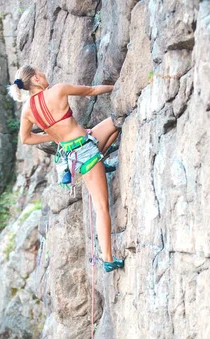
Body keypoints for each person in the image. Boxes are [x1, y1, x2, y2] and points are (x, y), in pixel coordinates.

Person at [8, 65, 124, 273]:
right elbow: (91, 91)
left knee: (114, 124)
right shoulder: (58, 90)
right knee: (101, 208)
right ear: (35, 78)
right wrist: (117, 86)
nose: (45, 76)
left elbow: (26, 138)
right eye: (41, 74)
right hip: (86, 153)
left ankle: (101, 161)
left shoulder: (27, 111)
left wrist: (52, 136)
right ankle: (107, 258)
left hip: (75, 152)